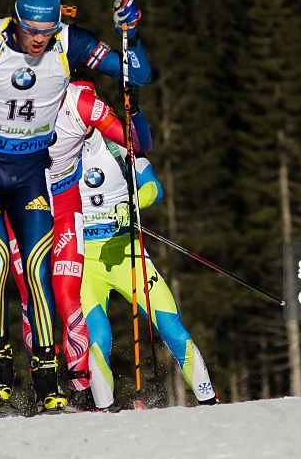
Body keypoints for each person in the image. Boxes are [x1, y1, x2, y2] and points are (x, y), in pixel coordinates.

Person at [0, 0, 150, 413]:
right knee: (0, 261)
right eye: (31, 30)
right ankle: (0, 368)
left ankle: (48, 379)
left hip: (29, 172)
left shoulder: (69, 43)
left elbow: (136, 75)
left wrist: (130, 34)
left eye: (47, 29)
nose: (39, 39)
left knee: (40, 270)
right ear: (17, 19)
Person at [5, 79, 152, 411]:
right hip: (26, 214)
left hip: (70, 221)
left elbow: (140, 147)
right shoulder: (25, 111)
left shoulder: (96, 128)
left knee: (68, 299)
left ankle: (80, 388)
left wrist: (135, 113)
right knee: (32, 297)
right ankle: (45, 386)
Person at [78, 132, 218, 410]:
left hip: (128, 254)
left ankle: (209, 399)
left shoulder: (118, 146)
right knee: (97, 338)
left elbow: (153, 186)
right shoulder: (58, 149)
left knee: (171, 327)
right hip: (85, 261)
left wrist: (133, 204)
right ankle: (103, 410)